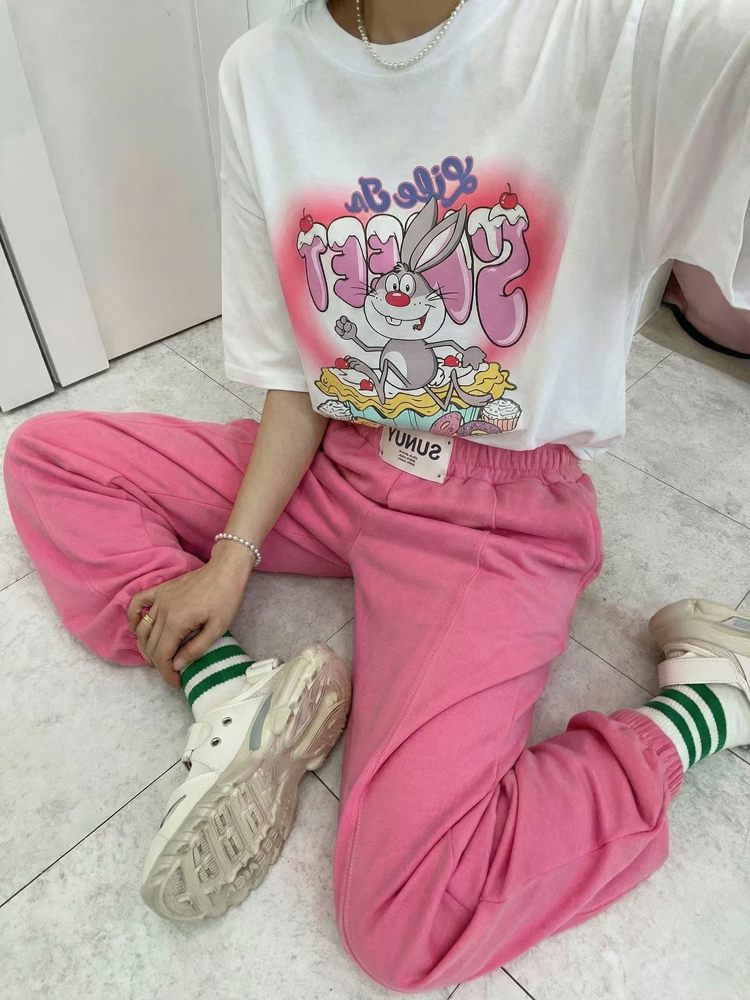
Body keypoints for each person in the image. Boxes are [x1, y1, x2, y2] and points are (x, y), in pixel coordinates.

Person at [3, 0, 750, 991]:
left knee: (406, 915)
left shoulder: (615, 33)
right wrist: (230, 561)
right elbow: (296, 373)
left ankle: (704, 701)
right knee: (50, 458)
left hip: (496, 509)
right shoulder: (261, 74)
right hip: (340, 449)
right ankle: (229, 691)